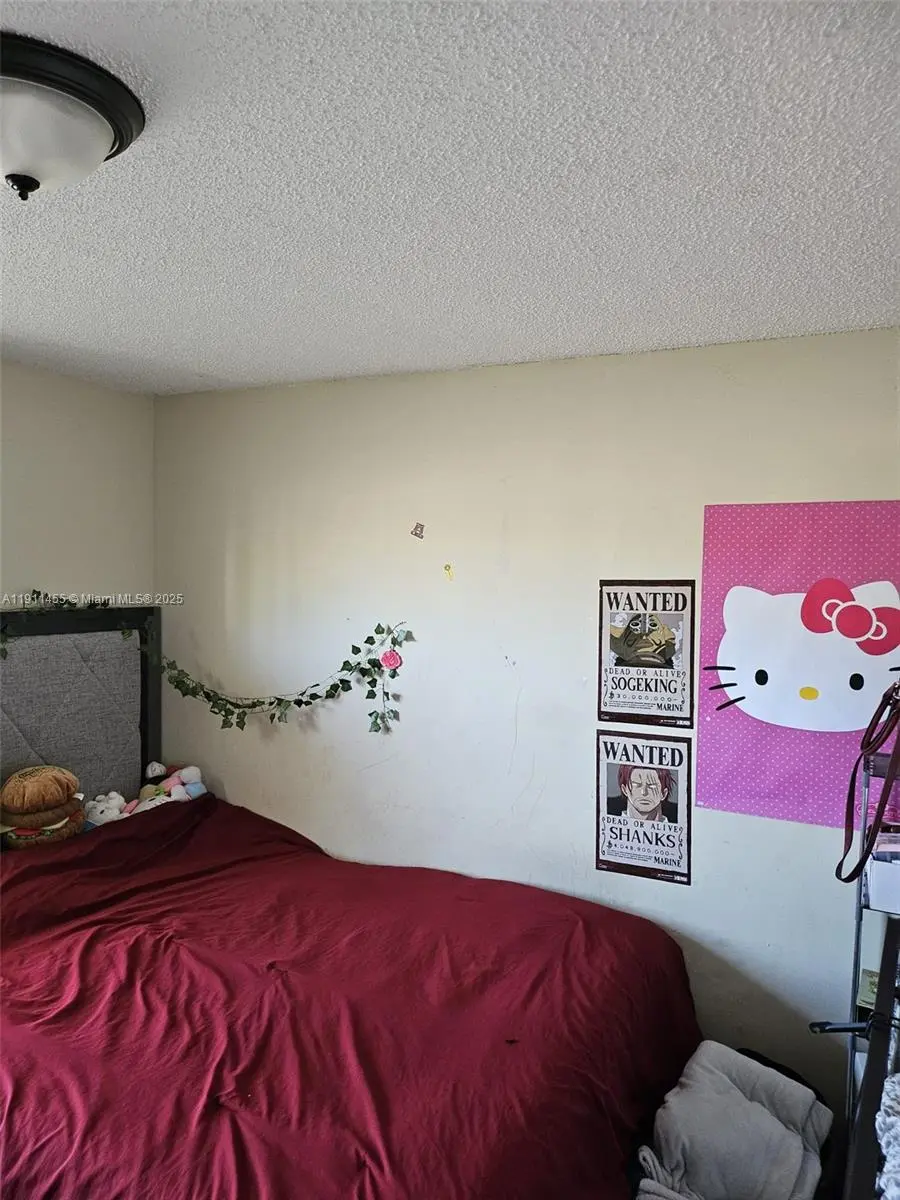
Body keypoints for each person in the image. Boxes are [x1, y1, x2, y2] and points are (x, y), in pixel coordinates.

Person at [607, 765, 678, 822]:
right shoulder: (607, 808)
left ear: (664, 793)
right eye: (636, 784)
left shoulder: (678, 816)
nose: (644, 792)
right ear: (624, 789)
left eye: (652, 786)